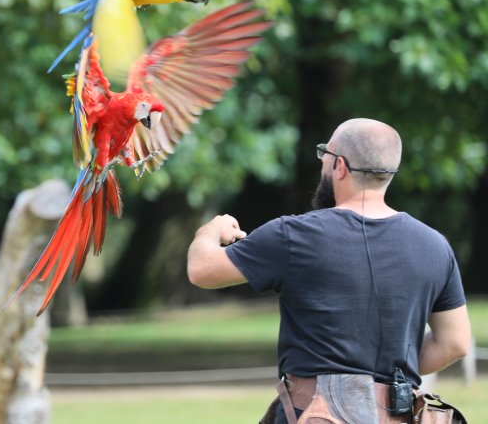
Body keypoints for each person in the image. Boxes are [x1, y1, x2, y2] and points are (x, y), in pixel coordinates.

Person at [186, 118, 471, 423]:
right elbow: (454, 343)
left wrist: (210, 232)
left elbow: (202, 270)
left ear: (340, 166)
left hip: (313, 413)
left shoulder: (293, 234)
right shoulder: (434, 245)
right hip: (398, 415)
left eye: (325, 154)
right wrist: (382, 379)